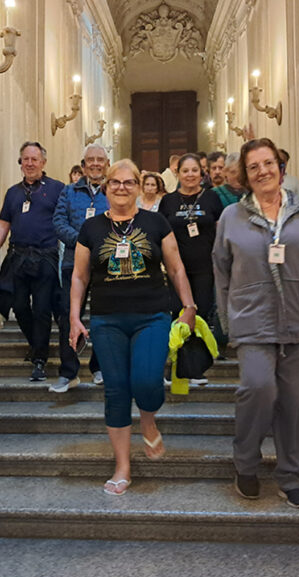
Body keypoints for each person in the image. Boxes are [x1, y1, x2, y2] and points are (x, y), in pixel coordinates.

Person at [212, 137, 299, 510]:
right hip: (252, 317)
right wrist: (226, 319)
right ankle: (245, 463)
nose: (262, 171)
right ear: (245, 176)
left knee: (295, 402)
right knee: (257, 387)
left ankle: (291, 477)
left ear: (280, 167)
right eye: (253, 167)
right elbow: (221, 271)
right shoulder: (231, 217)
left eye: (268, 163)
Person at [69, 159, 196, 496]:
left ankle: (148, 420)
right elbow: (79, 276)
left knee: (146, 381)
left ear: (139, 187)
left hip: (152, 315)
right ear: (106, 187)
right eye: (115, 182)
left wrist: (189, 306)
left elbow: (176, 268)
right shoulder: (91, 228)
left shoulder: (156, 223)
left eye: (129, 182)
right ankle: (122, 466)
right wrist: (74, 317)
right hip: (107, 319)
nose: (122, 188)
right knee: (116, 391)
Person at [0, 142, 67, 382]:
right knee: (19, 305)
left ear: (43, 162)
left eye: (34, 159)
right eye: (26, 159)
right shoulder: (13, 193)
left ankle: (40, 359)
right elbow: (3, 225)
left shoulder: (58, 189)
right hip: (18, 257)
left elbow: (66, 220)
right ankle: (36, 344)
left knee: (42, 309)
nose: (30, 163)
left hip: (46, 257)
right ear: (20, 162)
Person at [52, 143, 109, 391]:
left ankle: (99, 367)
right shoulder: (68, 191)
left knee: (102, 317)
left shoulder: (113, 190)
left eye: (100, 160)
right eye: (90, 160)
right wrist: (83, 242)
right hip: (73, 264)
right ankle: (68, 372)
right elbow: (58, 221)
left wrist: (100, 245)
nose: (95, 164)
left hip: (104, 264)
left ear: (107, 164)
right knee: (68, 316)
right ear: (83, 166)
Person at [158, 153, 223, 327]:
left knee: (202, 314)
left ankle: (200, 345)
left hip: (205, 267)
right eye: (185, 171)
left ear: (201, 173)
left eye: (194, 170)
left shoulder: (211, 197)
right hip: (176, 268)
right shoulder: (168, 201)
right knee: (178, 313)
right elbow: (161, 234)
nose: (190, 175)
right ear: (178, 173)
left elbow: (220, 230)